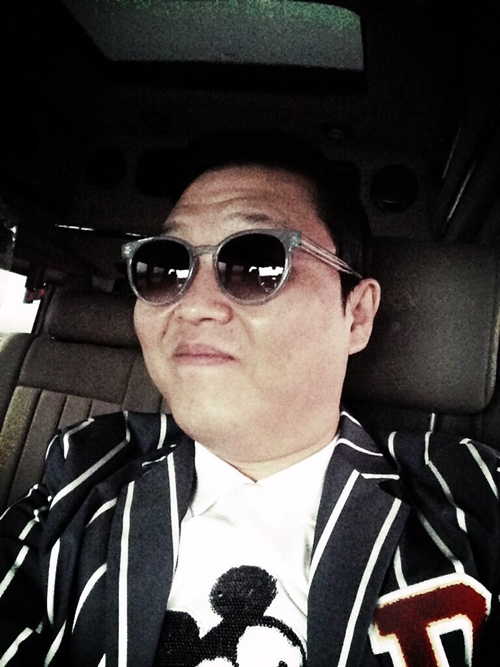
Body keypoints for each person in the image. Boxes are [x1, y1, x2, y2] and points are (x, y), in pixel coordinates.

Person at [0, 129, 499, 667]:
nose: (193, 306)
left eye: (256, 263)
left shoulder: (470, 494)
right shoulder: (85, 467)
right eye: (167, 268)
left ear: (356, 315)